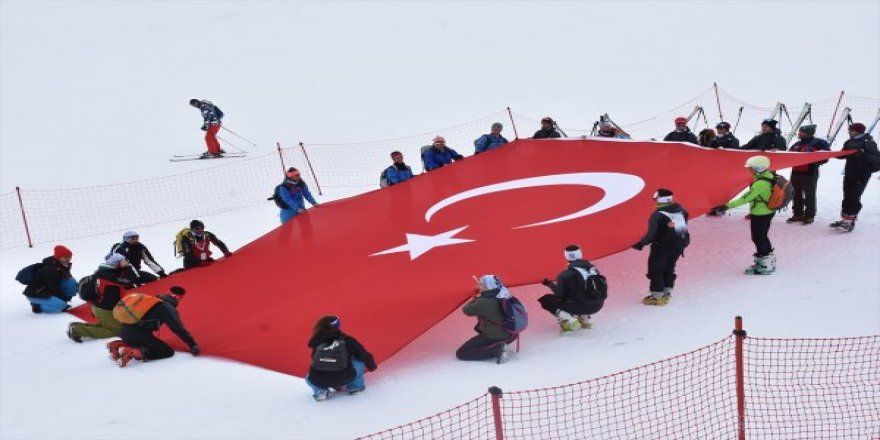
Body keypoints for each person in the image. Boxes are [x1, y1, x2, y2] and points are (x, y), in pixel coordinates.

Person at [711, 156, 777, 275]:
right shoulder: (768, 176)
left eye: (751, 168)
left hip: (760, 213)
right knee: (762, 236)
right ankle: (768, 260)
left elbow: (745, 198)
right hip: (767, 211)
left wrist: (727, 206)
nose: (749, 170)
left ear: (759, 168)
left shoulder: (761, 183)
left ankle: (765, 265)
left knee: (758, 238)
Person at [107, 286, 200, 367]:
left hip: (125, 331)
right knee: (166, 351)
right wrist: (192, 344)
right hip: (138, 334)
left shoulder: (153, 300)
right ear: (179, 298)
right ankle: (133, 353)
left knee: (143, 339)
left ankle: (119, 344)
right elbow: (178, 329)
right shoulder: (168, 308)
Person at [631, 189, 690, 305]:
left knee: (656, 269)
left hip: (662, 246)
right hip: (679, 245)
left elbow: (651, 234)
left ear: (660, 200)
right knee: (669, 267)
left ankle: (657, 296)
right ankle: (667, 291)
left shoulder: (657, 215)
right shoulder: (682, 210)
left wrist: (641, 243)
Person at [67, 253, 138, 342]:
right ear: (116, 263)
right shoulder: (108, 275)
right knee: (115, 330)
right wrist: (127, 267)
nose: (126, 262)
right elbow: (130, 281)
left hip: (99, 306)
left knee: (109, 325)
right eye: (123, 261)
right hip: (105, 309)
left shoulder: (105, 271)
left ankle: (76, 326)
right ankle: (77, 330)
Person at [306, 315, 377, 401]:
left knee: (309, 376)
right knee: (358, 360)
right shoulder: (346, 340)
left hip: (321, 380)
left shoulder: (316, 343)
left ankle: (321, 391)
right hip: (345, 377)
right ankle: (355, 387)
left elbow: (315, 360)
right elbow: (363, 355)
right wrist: (372, 367)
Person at [539, 245, 606, 332]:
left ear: (566, 256)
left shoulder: (565, 274)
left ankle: (570, 321)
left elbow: (560, 295)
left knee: (546, 300)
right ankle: (586, 320)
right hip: (598, 304)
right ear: (580, 254)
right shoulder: (593, 269)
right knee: (583, 294)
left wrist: (550, 284)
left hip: (580, 306)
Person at [830, 123, 880, 232]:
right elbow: (844, 154)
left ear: (857, 131)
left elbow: (877, 160)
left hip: (862, 174)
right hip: (849, 173)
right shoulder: (849, 142)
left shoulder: (868, 143)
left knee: (854, 197)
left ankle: (849, 222)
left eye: (850, 130)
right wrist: (830, 154)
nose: (848, 131)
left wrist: (863, 154)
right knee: (847, 195)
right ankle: (844, 220)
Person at [456, 275, 517, 364]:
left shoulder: (484, 302)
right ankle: (499, 346)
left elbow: (467, 310)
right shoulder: (505, 294)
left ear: (488, 287)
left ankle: (497, 350)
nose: (478, 287)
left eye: (481, 285)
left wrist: (477, 297)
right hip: (512, 334)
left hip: (494, 336)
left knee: (462, 353)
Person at [787, 125, 830, 224]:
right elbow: (789, 155)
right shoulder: (797, 144)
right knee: (795, 194)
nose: (799, 134)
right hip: (795, 173)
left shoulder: (819, 143)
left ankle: (809, 215)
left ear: (809, 133)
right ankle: (797, 214)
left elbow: (825, 157)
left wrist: (813, 161)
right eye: (800, 132)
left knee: (809, 195)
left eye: (802, 132)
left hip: (810, 173)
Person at [22, 245, 77, 314]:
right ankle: (37, 306)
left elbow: (67, 279)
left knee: (71, 282)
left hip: (48, 289)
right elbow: (53, 287)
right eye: (65, 257)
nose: (68, 259)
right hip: (36, 293)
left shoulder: (61, 265)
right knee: (61, 306)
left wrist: (78, 287)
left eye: (69, 257)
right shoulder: (50, 269)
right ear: (59, 257)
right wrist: (62, 299)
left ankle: (60, 302)